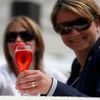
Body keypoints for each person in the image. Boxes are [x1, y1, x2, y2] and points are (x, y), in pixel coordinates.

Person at [16, 0, 100, 97]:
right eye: (65, 27)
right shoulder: (77, 65)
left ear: (97, 23)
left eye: (81, 23)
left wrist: (52, 87)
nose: (74, 33)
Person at [0, 15, 67, 95]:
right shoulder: (2, 75)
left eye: (26, 36)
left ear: (38, 44)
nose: (18, 40)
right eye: (12, 36)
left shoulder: (54, 77)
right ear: (6, 46)